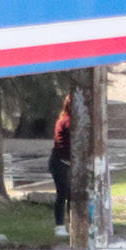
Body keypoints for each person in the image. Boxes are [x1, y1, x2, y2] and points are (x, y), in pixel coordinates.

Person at [47, 90, 77, 229]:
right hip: (59, 162)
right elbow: (64, 145)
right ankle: (59, 226)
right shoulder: (67, 121)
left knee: (71, 193)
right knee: (63, 193)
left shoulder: (68, 120)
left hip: (67, 162)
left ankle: (73, 224)